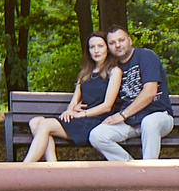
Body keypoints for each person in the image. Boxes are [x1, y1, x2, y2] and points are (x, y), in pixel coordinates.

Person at [24, 34, 118, 163]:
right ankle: (53, 167)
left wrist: (81, 114)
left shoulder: (114, 71)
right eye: (92, 47)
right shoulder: (85, 73)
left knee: (45, 125)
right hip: (80, 119)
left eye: (100, 46)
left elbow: (107, 106)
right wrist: (70, 110)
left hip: (96, 121)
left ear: (107, 48)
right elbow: (74, 100)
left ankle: (24, 167)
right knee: (35, 122)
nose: (96, 50)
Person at [90, 25, 175, 161]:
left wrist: (123, 115)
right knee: (97, 135)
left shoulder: (146, 56)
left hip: (158, 117)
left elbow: (150, 92)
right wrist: (75, 106)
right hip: (131, 122)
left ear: (129, 40)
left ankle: (149, 169)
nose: (117, 45)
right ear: (108, 47)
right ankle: (132, 169)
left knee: (149, 122)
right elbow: (98, 96)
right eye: (112, 43)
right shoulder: (113, 69)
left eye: (121, 40)